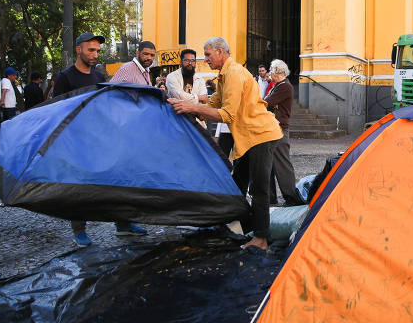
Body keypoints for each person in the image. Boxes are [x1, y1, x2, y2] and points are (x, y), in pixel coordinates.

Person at [169, 37, 283, 251]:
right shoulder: (224, 74)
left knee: (259, 188)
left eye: (208, 54)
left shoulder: (234, 73)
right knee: (237, 183)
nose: (205, 59)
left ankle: (261, 239)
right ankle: (241, 226)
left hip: (262, 135)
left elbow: (227, 114)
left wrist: (193, 108)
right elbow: (215, 102)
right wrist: (188, 105)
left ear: (221, 52)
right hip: (248, 137)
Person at [53, 31, 147, 248]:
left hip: (99, 139)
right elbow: (56, 110)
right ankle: (79, 231)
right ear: (79, 50)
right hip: (76, 142)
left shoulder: (98, 77)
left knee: (116, 180)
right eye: (91, 50)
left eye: (97, 50)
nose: (95, 54)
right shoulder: (65, 77)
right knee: (79, 188)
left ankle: (123, 224)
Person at [264, 59, 305, 206]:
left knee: (282, 164)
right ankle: (270, 197)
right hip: (273, 128)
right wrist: (270, 103)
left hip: (279, 129)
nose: (269, 72)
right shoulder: (278, 85)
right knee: (268, 164)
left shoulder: (284, 86)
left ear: (279, 72)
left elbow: (266, 102)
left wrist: (271, 103)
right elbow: (268, 102)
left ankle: (291, 197)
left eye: (271, 69)